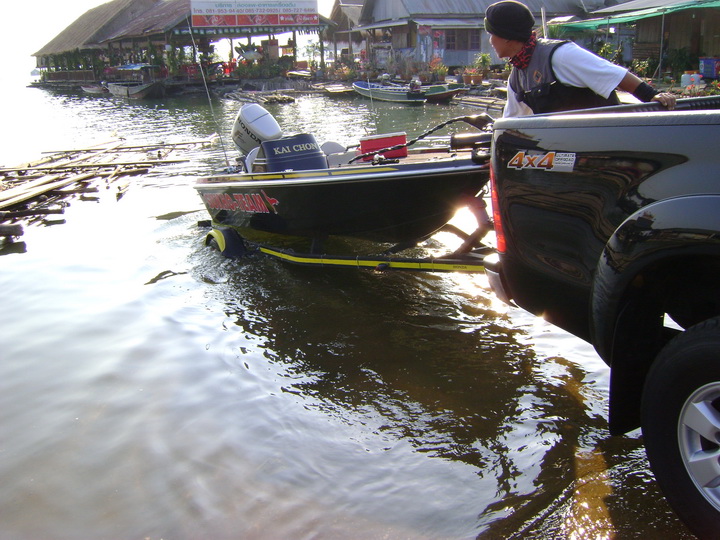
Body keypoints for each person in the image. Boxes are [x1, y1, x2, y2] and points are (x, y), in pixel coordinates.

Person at [484, 0, 676, 117]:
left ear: (507, 36)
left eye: (492, 34)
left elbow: (614, 75)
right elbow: (513, 121)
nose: (490, 41)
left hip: (604, 140)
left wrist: (652, 95)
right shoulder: (517, 77)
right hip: (570, 147)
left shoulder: (559, 55)